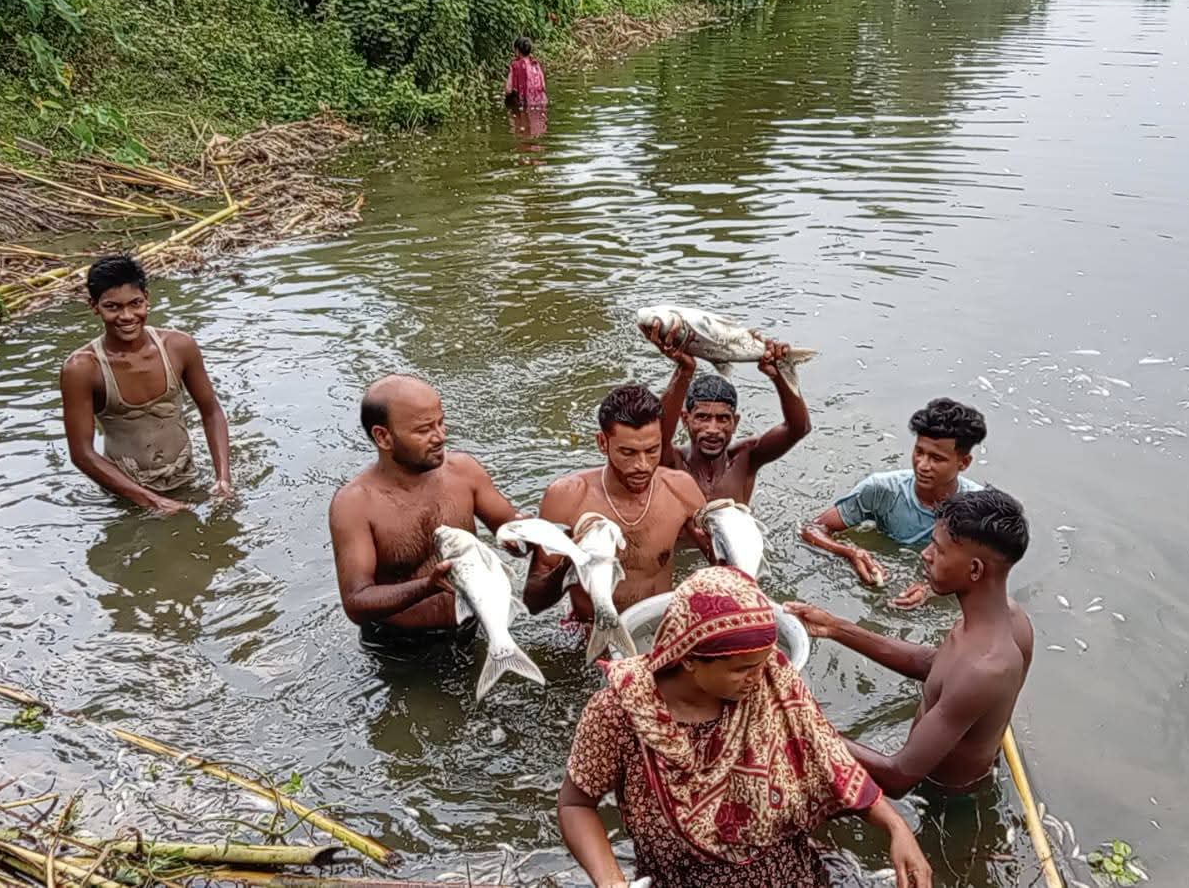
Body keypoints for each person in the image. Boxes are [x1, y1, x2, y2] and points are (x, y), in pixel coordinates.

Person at [559, 567, 934, 888]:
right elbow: (577, 804)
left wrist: (896, 828)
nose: (759, 676)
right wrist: (611, 880)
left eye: (763, 661)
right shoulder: (620, 712)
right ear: (689, 660)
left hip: (788, 874)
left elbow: (832, 762)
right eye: (742, 669)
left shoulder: (772, 680)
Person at [786, 489, 1035, 797]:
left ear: (974, 570)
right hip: (945, 764)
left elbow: (898, 777)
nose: (925, 554)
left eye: (939, 550)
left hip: (941, 797)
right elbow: (935, 665)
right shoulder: (1011, 618)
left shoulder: (984, 670)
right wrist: (836, 627)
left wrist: (799, 725)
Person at [328, 374, 524, 640]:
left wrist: (537, 535)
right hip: (399, 646)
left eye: (441, 423)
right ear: (383, 437)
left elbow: (511, 526)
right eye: (424, 430)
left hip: (474, 627)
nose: (440, 437)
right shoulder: (355, 504)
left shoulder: (464, 472)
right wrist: (427, 586)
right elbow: (356, 601)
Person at [60, 253, 231, 514]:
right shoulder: (82, 369)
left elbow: (211, 411)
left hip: (187, 476)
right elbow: (82, 454)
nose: (127, 316)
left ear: (147, 300)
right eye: (113, 307)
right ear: (94, 306)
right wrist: (151, 501)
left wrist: (223, 478)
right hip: (126, 495)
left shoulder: (179, 346)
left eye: (135, 303)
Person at [524, 384, 709, 620]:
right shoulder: (567, 498)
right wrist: (572, 560)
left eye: (652, 450)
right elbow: (533, 602)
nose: (642, 465)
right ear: (603, 443)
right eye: (628, 452)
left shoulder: (679, 488)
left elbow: (726, 565)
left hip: (656, 626)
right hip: (590, 630)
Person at [803, 397, 986, 606]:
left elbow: (986, 572)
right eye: (919, 452)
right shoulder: (882, 490)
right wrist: (850, 553)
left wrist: (932, 590)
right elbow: (812, 528)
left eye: (936, 459)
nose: (922, 465)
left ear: (964, 463)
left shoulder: (978, 508)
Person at [646, 322, 811, 504]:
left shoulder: (746, 458)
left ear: (735, 422)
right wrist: (685, 370)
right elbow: (654, 438)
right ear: (685, 419)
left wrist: (780, 374)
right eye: (702, 417)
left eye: (723, 419)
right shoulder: (671, 463)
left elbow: (798, 429)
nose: (713, 429)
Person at [504, 36, 547, 110]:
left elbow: (508, 89)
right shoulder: (536, 64)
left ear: (517, 50)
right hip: (540, 102)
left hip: (522, 104)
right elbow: (543, 86)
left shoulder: (515, 66)